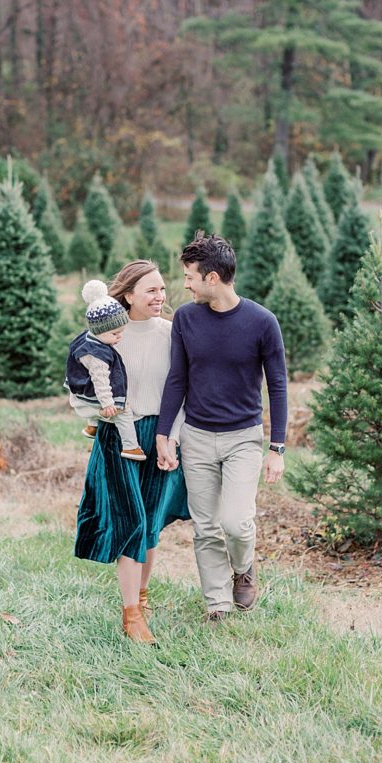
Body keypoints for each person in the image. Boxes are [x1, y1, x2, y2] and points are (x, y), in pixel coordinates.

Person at [156, 232, 287, 622]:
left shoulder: (262, 322)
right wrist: (166, 434)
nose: (185, 284)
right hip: (196, 436)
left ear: (212, 278)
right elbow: (176, 379)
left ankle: (244, 567)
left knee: (235, 521)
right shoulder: (185, 318)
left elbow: (277, 384)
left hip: (243, 439)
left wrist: (277, 447)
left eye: (190, 276)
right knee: (206, 527)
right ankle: (217, 603)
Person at [74, 260, 189, 645]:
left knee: (152, 525)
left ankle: (142, 598)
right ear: (127, 296)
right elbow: (83, 380)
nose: (160, 297)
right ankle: (131, 615)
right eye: (151, 291)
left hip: (160, 434)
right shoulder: (105, 336)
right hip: (120, 438)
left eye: (162, 289)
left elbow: (181, 390)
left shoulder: (174, 334)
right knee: (132, 522)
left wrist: (170, 437)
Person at [65, 279, 146, 461]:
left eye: (121, 332)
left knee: (101, 407)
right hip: (96, 393)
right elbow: (101, 381)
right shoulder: (97, 356)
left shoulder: (88, 338)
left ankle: (92, 426)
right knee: (123, 411)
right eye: (115, 334)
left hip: (80, 387)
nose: (119, 337)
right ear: (99, 329)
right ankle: (131, 447)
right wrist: (109, 404)